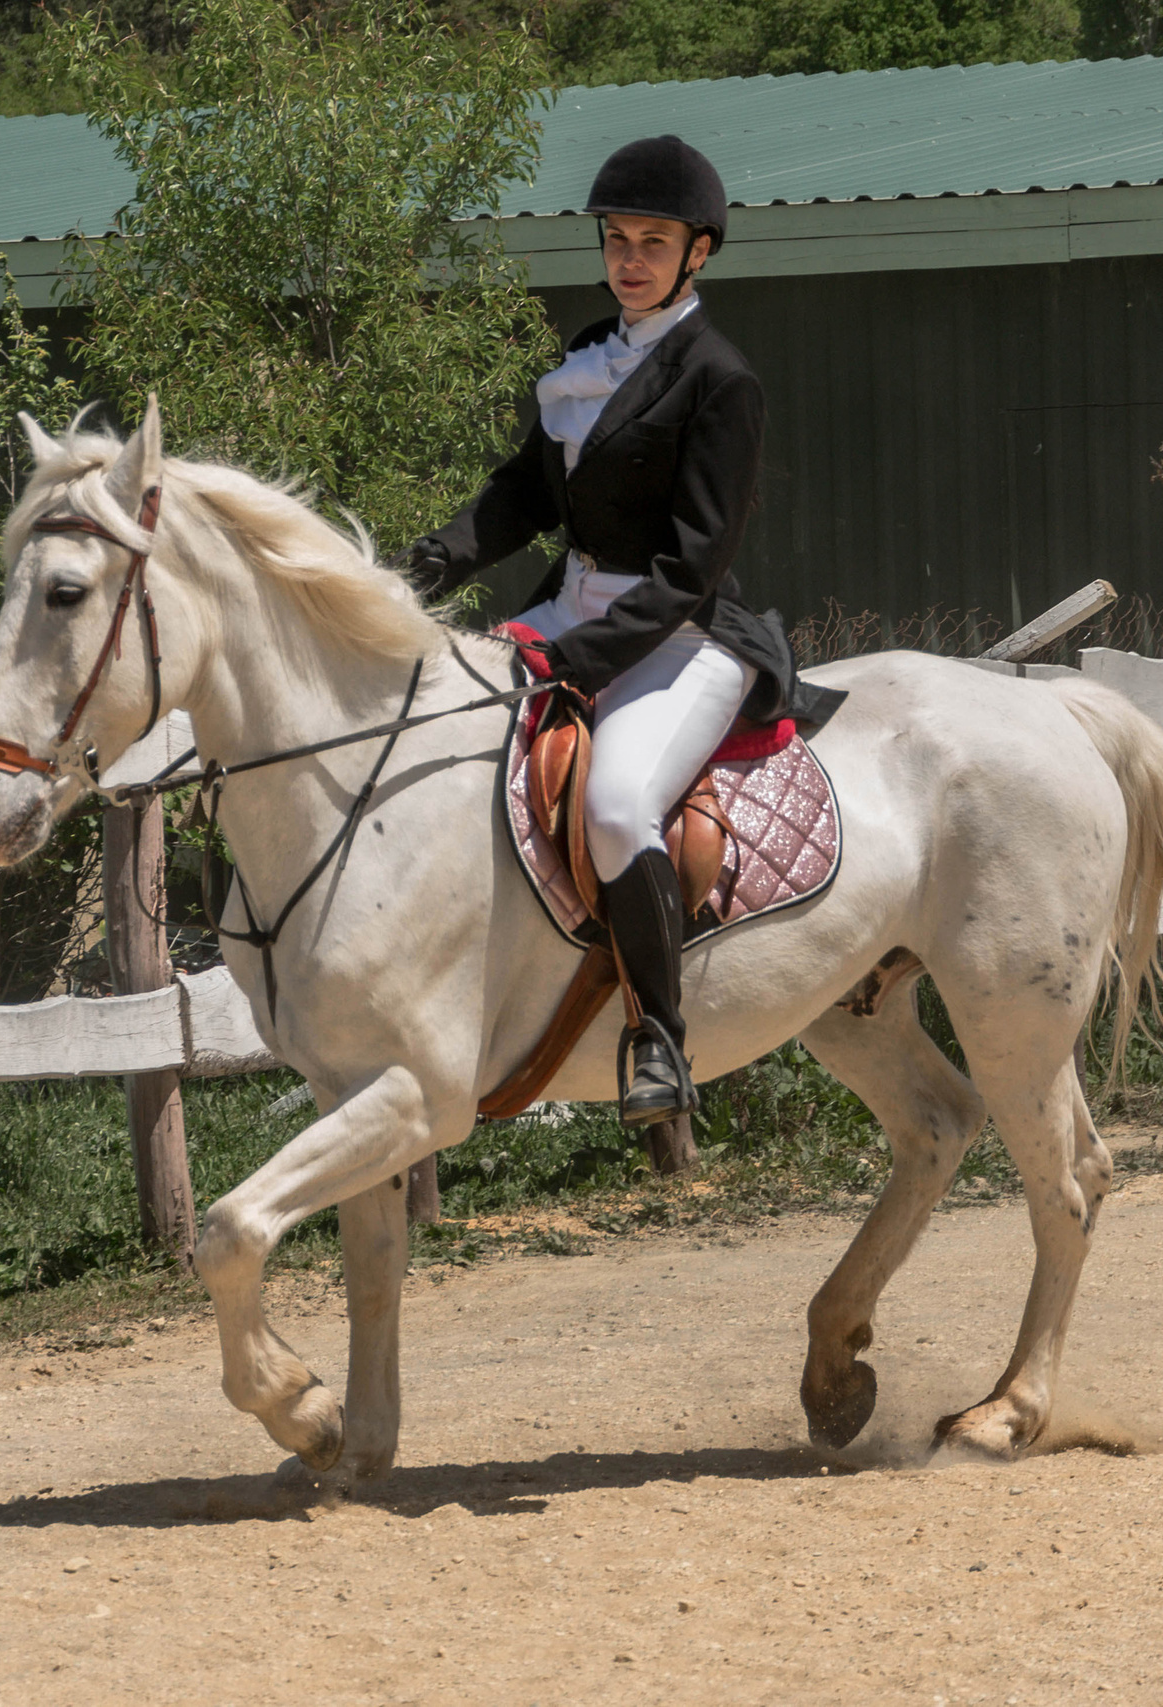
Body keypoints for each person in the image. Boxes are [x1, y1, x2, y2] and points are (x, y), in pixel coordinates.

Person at [406, 134, 844, 1130]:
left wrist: (574, 659)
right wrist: (430, 562)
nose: (630, 260)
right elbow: (523, 493)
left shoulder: (720, 379)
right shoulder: (588, 352)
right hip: (572, 603)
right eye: (617, 240)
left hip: (682, 635)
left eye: (653, 243)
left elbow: (693, 568)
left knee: (613, 806)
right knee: (441, 725)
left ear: (697, 253)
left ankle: (659, 1041)